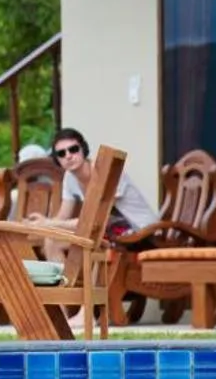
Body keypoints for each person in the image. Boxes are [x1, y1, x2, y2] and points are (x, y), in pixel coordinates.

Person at [44, 127, 162, 324]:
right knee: (52, 242)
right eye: (62, 153)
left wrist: (48, 223)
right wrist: (45, 225)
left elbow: (94, 218)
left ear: (83, 149)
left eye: (73, 149)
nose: (69, 156)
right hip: (109, 231)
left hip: (140, 234)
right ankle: (62, 311)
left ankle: (86, 313)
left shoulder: (106, 173)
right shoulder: (70, 178)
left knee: (93, 241)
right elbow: (63, 217)